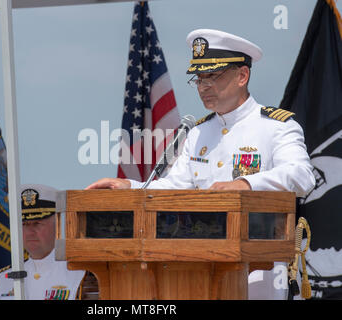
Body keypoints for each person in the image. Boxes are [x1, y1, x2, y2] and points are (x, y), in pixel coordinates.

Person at [86, 29, 316, 299]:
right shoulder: (197, 133)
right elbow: (176, 188)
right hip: (200, 268)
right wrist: (130, 187)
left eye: (213, 76)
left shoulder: (276, 126)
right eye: (199, 78)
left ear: (242, 76)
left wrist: (244, 183)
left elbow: (302, 176)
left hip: (261, 271)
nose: (204, 86)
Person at [0, 184, 85, 300]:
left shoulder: (80, 272)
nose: (30, 232)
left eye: (37, 223)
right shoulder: (5, 279)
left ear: (58, 225)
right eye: (24, 224)